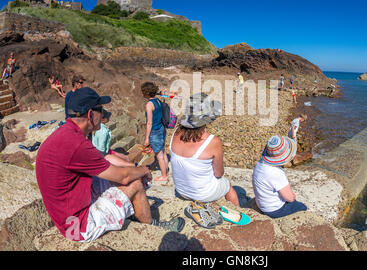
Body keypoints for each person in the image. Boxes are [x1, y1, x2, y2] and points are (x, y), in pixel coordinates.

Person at [35, 87, 184, 242]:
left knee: (127, 175)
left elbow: (102, 157)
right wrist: (143, 169)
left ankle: (133, 211)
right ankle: (152, 228)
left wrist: (132, 166)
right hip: (78, 226)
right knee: (135, 184)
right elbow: (124, 178)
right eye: (101, 109)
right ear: (90, 114)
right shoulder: (76, 144)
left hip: (66, 212)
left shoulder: (66, 134)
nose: (104, 113)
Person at [170, 93, 240, 207]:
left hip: (181, 191)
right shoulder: (212, 141)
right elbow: (218, 173)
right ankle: (239, 214)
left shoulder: (175, 133)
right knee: (228, 186)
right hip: (202, 194)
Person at [141, 81, 169, 182]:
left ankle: (164, 176)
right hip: (161, 128)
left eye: (143, 92)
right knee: (163, 151)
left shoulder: (149, 104)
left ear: (146, 93)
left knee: (159, 155)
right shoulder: (157, 101)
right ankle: (166, 171)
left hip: (155, 131)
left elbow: (149, 123)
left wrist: (147, 138)